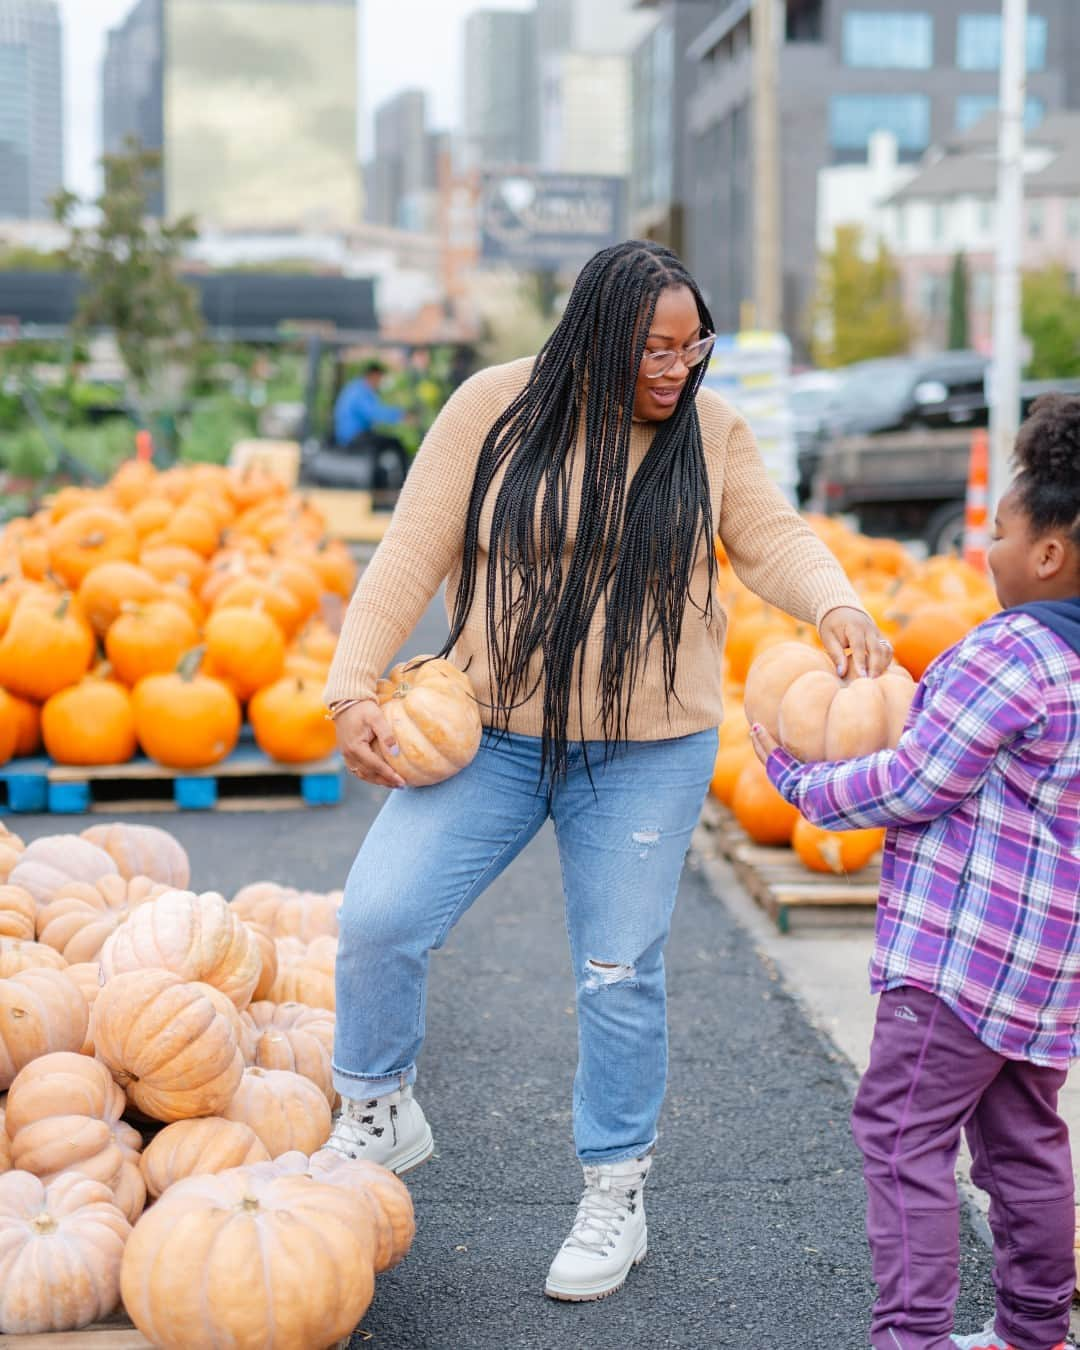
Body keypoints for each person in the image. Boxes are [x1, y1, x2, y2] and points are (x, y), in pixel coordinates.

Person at [322, 240, 890, 1303]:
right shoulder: (495, 407)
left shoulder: (710, 433)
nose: (676, 369)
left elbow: (770, 537)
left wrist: (838, 601)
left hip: (646, 750)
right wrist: (353, 687)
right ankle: (377, 1109)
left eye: (692, 346)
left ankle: (613, 1192)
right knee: (378, 919)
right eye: (655, 349)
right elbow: (410, 550)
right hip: (486, 729)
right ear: (594, 337)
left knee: (619, 973)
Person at [750, 394, 1080, 1350]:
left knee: (902, 1139)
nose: (989, 549)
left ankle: (913, 1337)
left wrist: (801, 781)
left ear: (1050, 554)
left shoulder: (1008, 653)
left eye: (1003, 533)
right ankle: (1031, 1333)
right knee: (1024, 1148)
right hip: (1046, 969)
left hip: (960, 963)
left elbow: (915, 782)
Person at [332, 356, 410, 490]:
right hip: (353, 437)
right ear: (373, 376)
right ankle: (406, 487)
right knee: (395, 444)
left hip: (356, 435)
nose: (380, 382)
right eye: (379, 378)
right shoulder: (360, 391)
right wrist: (400, 415)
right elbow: (374, 413)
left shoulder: (356, 388)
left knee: (384, 445)